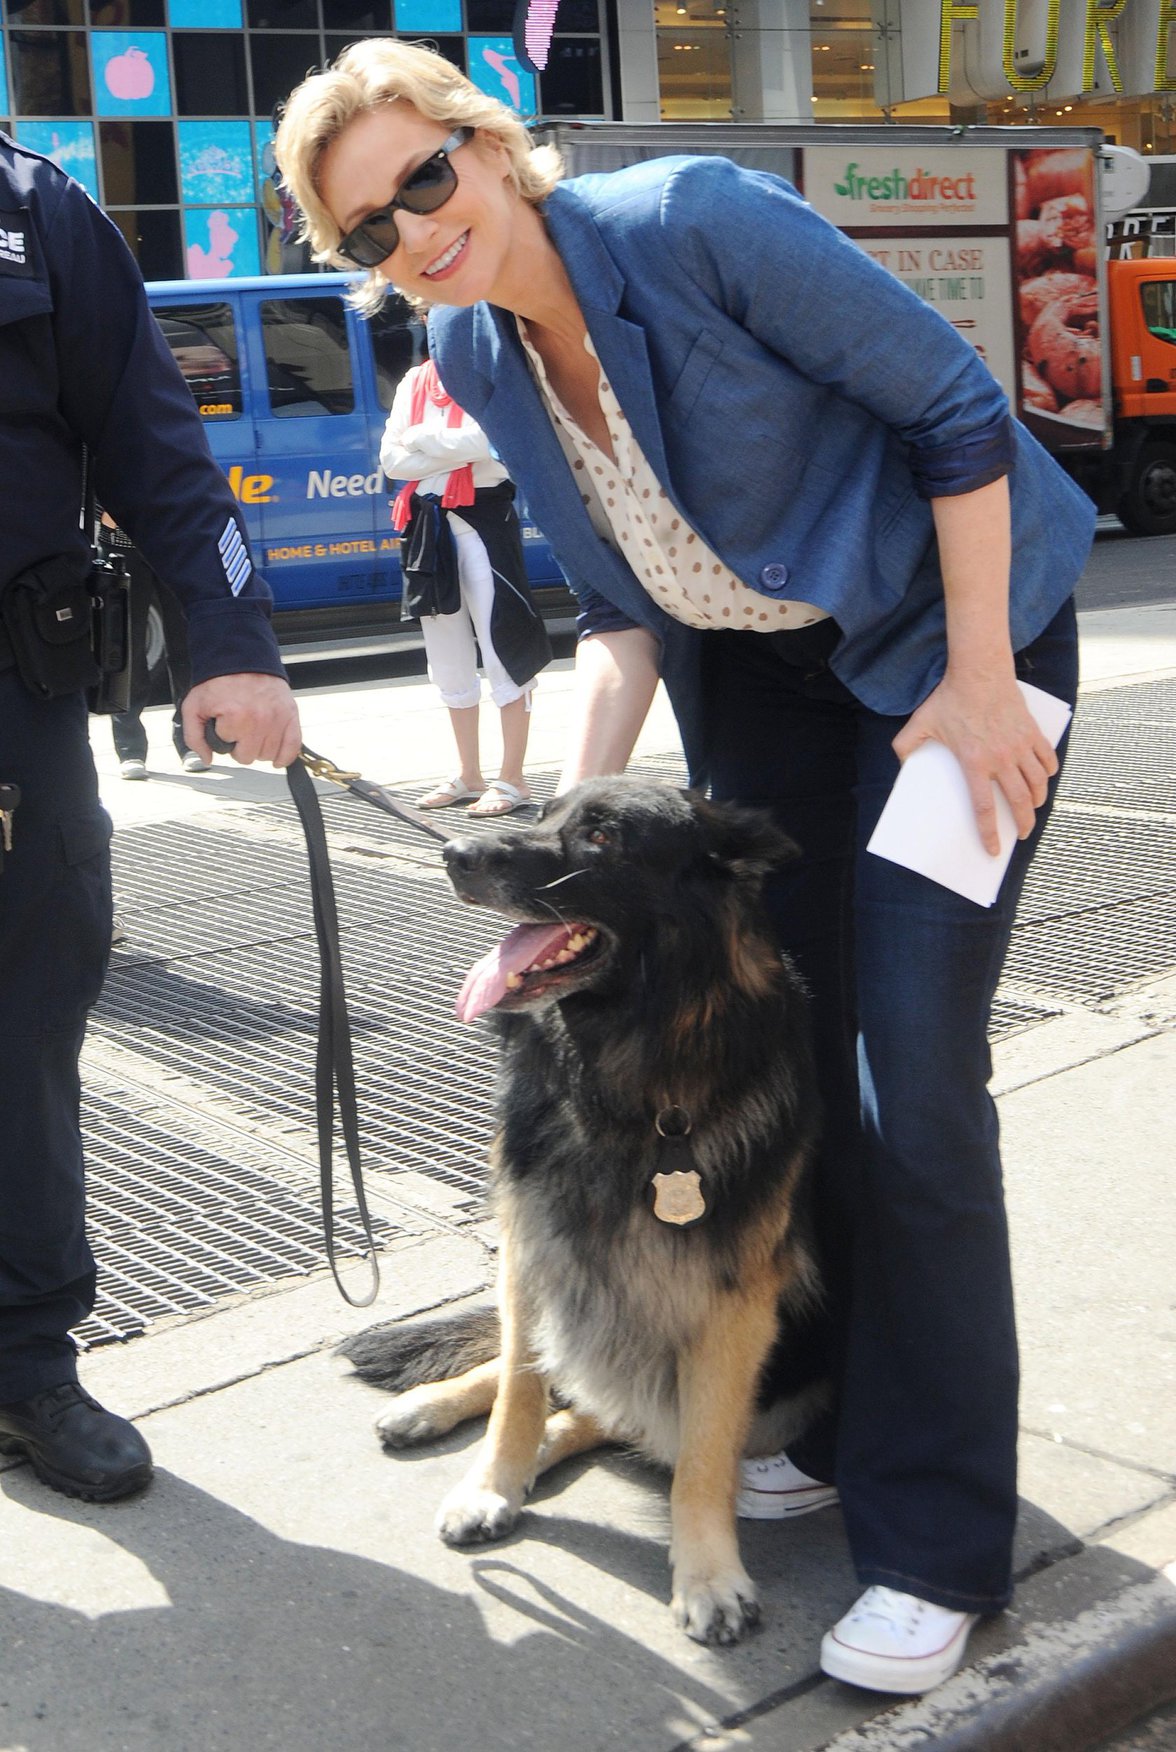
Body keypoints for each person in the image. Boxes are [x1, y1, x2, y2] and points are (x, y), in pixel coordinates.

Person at [274, 46, 1095, 1696]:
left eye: (423, 179)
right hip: (761, 692)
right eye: (368, 229)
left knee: (910, 1083)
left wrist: (989, 675)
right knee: (791, 1065)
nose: (414, 232)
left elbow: (955, 407)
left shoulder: (690, 221)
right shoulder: (471, 348)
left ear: (485, 147)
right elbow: (621, 607)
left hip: (948, 645)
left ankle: (936, 1540)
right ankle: (856, 1410)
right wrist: (566, 844)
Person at [0, 132, 302, 1505]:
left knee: (19, 1028)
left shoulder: (35, 212)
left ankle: (22, 1363)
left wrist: (230, 642)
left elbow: (159, 452)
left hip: (10, 708)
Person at [380, 355, 550, 814]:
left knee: (503, 644)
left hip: (485, 518)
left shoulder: (490, 372)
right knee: (446, 654)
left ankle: (513, 778)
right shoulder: (415, 379)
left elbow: (492, 441)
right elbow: (392, 460)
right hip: (428, 526)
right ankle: (468, 773)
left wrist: (419, 438)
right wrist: (454, 446)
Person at [96, 515, 201, 780]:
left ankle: (191, 740)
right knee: (126, 647)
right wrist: (108, 515)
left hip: (175, 545)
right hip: (123, 547)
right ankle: (130, 749)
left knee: (184, 644)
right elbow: (91, 490)